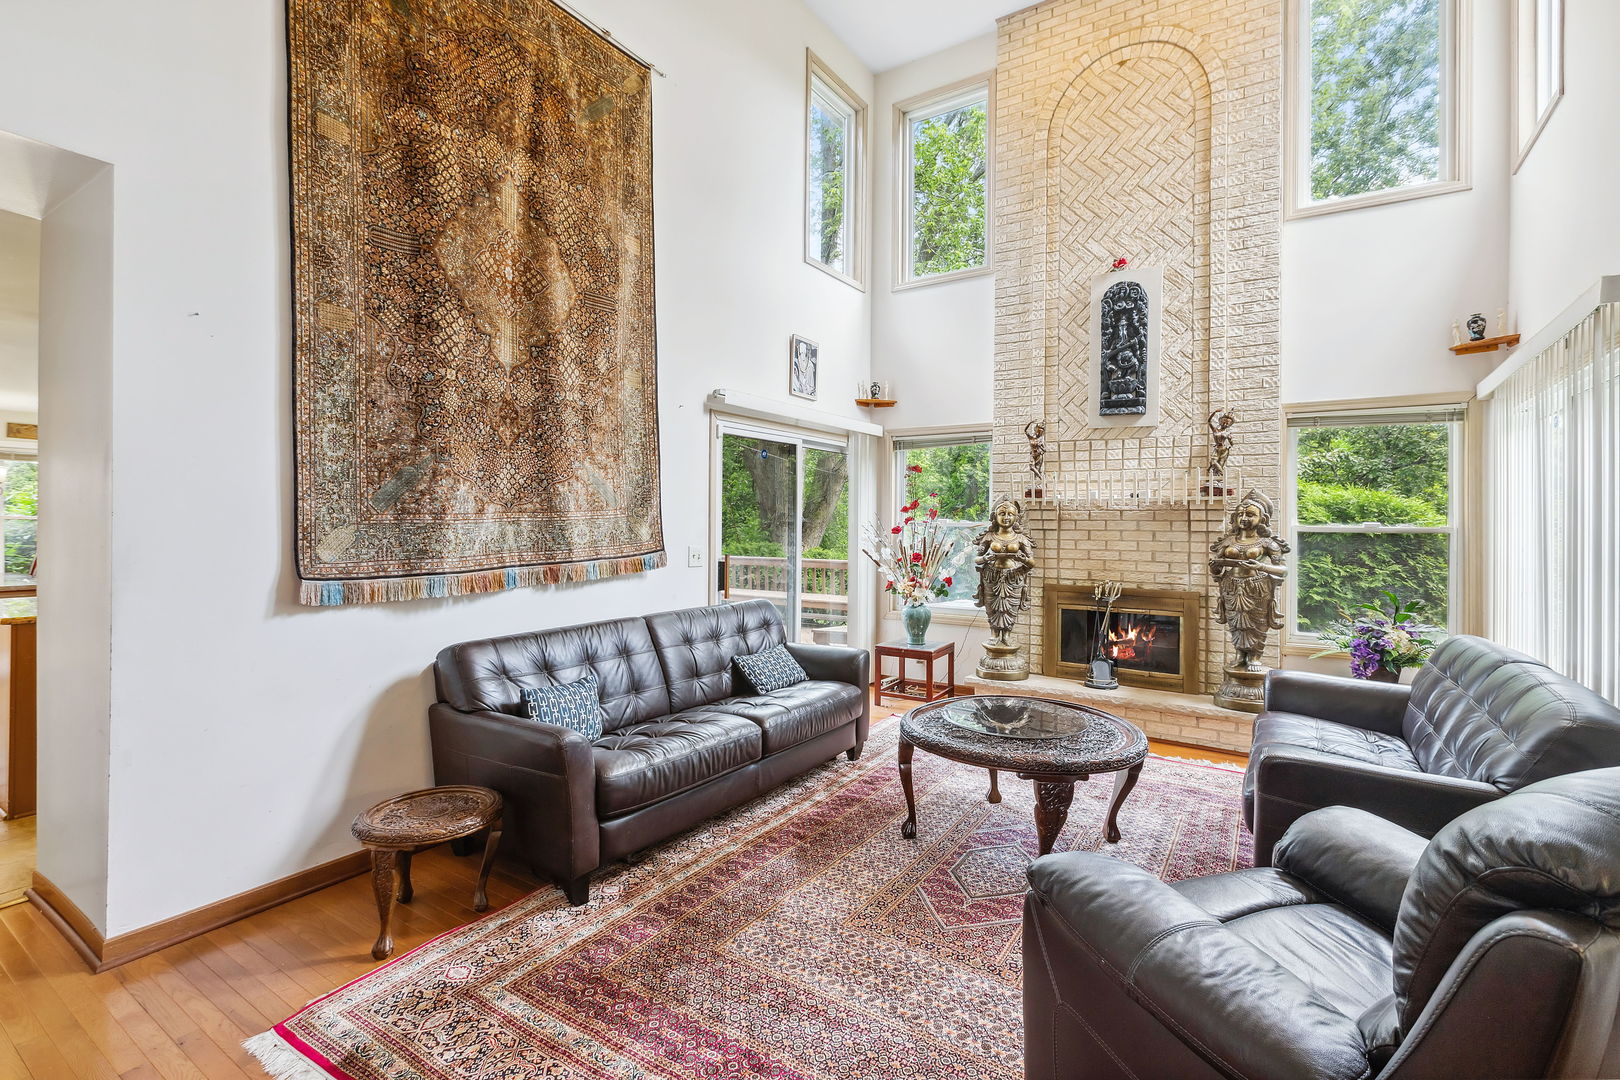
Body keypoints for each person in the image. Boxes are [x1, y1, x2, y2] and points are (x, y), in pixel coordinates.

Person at [1208, 490, 1288, 671]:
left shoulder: (1267, 543)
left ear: (1263, 519)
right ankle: (1239, 654)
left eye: (1250, 514)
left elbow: (1283, 569)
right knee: (1236, 621)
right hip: (1231, 586)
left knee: (1256, 622)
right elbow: (1217, 569)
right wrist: (1215, 566)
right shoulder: (1228, 541)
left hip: (1257, 587)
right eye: (1241, 514)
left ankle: (1254, 656)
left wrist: (1261, 567)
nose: (1244, 518)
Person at [973, 496, 1036, 645]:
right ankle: (994, 634)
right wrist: (988, 558)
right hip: (992, 576)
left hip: (1014, 577)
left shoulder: (1021, 538)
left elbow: (1032, 562)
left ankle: (1006, 635)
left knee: (1011, 606)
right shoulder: (989, 536)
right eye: (1002, 513)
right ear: (995, 516)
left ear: (1016, 517)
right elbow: (977, 558)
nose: (1006, 517)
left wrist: (1022, 560)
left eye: (1010, 514)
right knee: (992, 606)